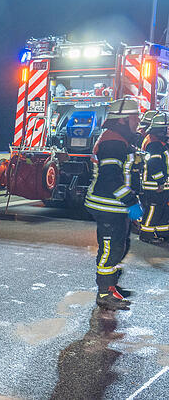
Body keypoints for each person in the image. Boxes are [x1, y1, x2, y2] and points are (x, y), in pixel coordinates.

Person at [85, 97, 143, 310]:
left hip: (115, 206)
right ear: (122, 120)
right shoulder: (113, 142)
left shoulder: (118, 138)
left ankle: (111, 286)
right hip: (107, 205)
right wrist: (131, 201)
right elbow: (110, 177)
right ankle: (104, 293)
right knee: (110, 250)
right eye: (135, 117)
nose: (138, 121)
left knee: (119, 247)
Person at [139, 113, 169, 243]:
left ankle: (162, 232)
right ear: (162, 129)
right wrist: (160, 182)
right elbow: (154, 165)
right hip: (155, 186)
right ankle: (146, 235)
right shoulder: (154, 144)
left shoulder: (156, 141)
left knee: (162, 210)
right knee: (153, 209)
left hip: (160, 185)